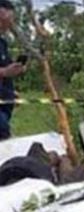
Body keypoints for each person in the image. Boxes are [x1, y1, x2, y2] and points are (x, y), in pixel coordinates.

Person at [0, 0, 25, 140]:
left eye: (10, 20)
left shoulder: (2, 43)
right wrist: (4, 72)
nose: (8, 24)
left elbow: (6, 67)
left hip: (4, 102)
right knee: (3, 131)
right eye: (4, 20)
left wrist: (10, 93)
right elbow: (3, 71)